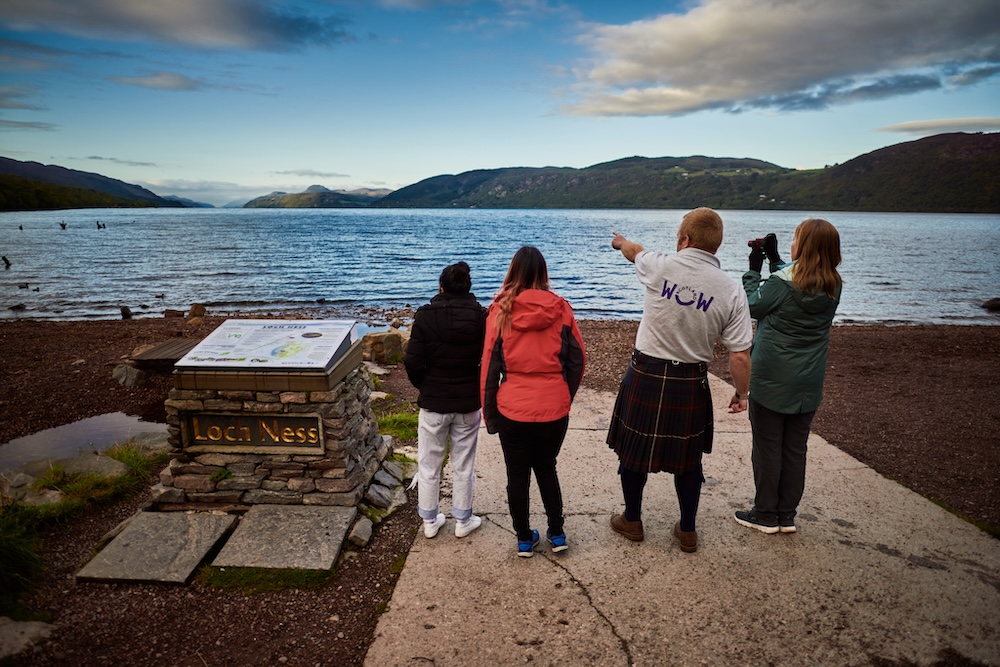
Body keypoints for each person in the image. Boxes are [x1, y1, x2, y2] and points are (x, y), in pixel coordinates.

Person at [607, 208, 753, 553]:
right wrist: (742, 392)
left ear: (685, 239)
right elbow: (740, 354)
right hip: (690, 381)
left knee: (633, 451)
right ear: (715, 245)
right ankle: (687, 530)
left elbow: (633, 251)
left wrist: (620, 242)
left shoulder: (660, 265)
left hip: (647, 374)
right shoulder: (731, 290)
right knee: (689, 460)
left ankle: (633, 519)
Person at [734, 219, 842, 534]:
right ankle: (786, 515)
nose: (793, 244)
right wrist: (774, 259)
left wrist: (754, 270)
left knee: (768, 446)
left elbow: (753, 305)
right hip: (807, 382)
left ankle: (766, 514)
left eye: (796, 239)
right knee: (795, 448)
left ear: (803, 246)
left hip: (771, 379)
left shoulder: (782, 283)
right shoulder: (833, 285)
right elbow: (796, 279)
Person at [481, 246, 585, 558]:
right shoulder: (562, 309)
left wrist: (490, 414)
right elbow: (577, 360)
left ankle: (524, 538)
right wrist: (563, 394)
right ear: (543, 273)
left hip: (513, 408)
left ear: (513, 272)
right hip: (554, 407)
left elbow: (489, 366)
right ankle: (557, 532)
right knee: (546, 467)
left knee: (517, 474)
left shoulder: (500, 311)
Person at [404, 261, 487, 539]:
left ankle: (429, 521)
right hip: (467, 402)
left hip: (434, 402)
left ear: (441, 287)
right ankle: (463, 520)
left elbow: (413, 360)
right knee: (464, 463)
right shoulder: (480, 316)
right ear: (468, 287)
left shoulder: (425, 316)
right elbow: (487, 359)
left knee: (428, 463)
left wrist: (425, 386)